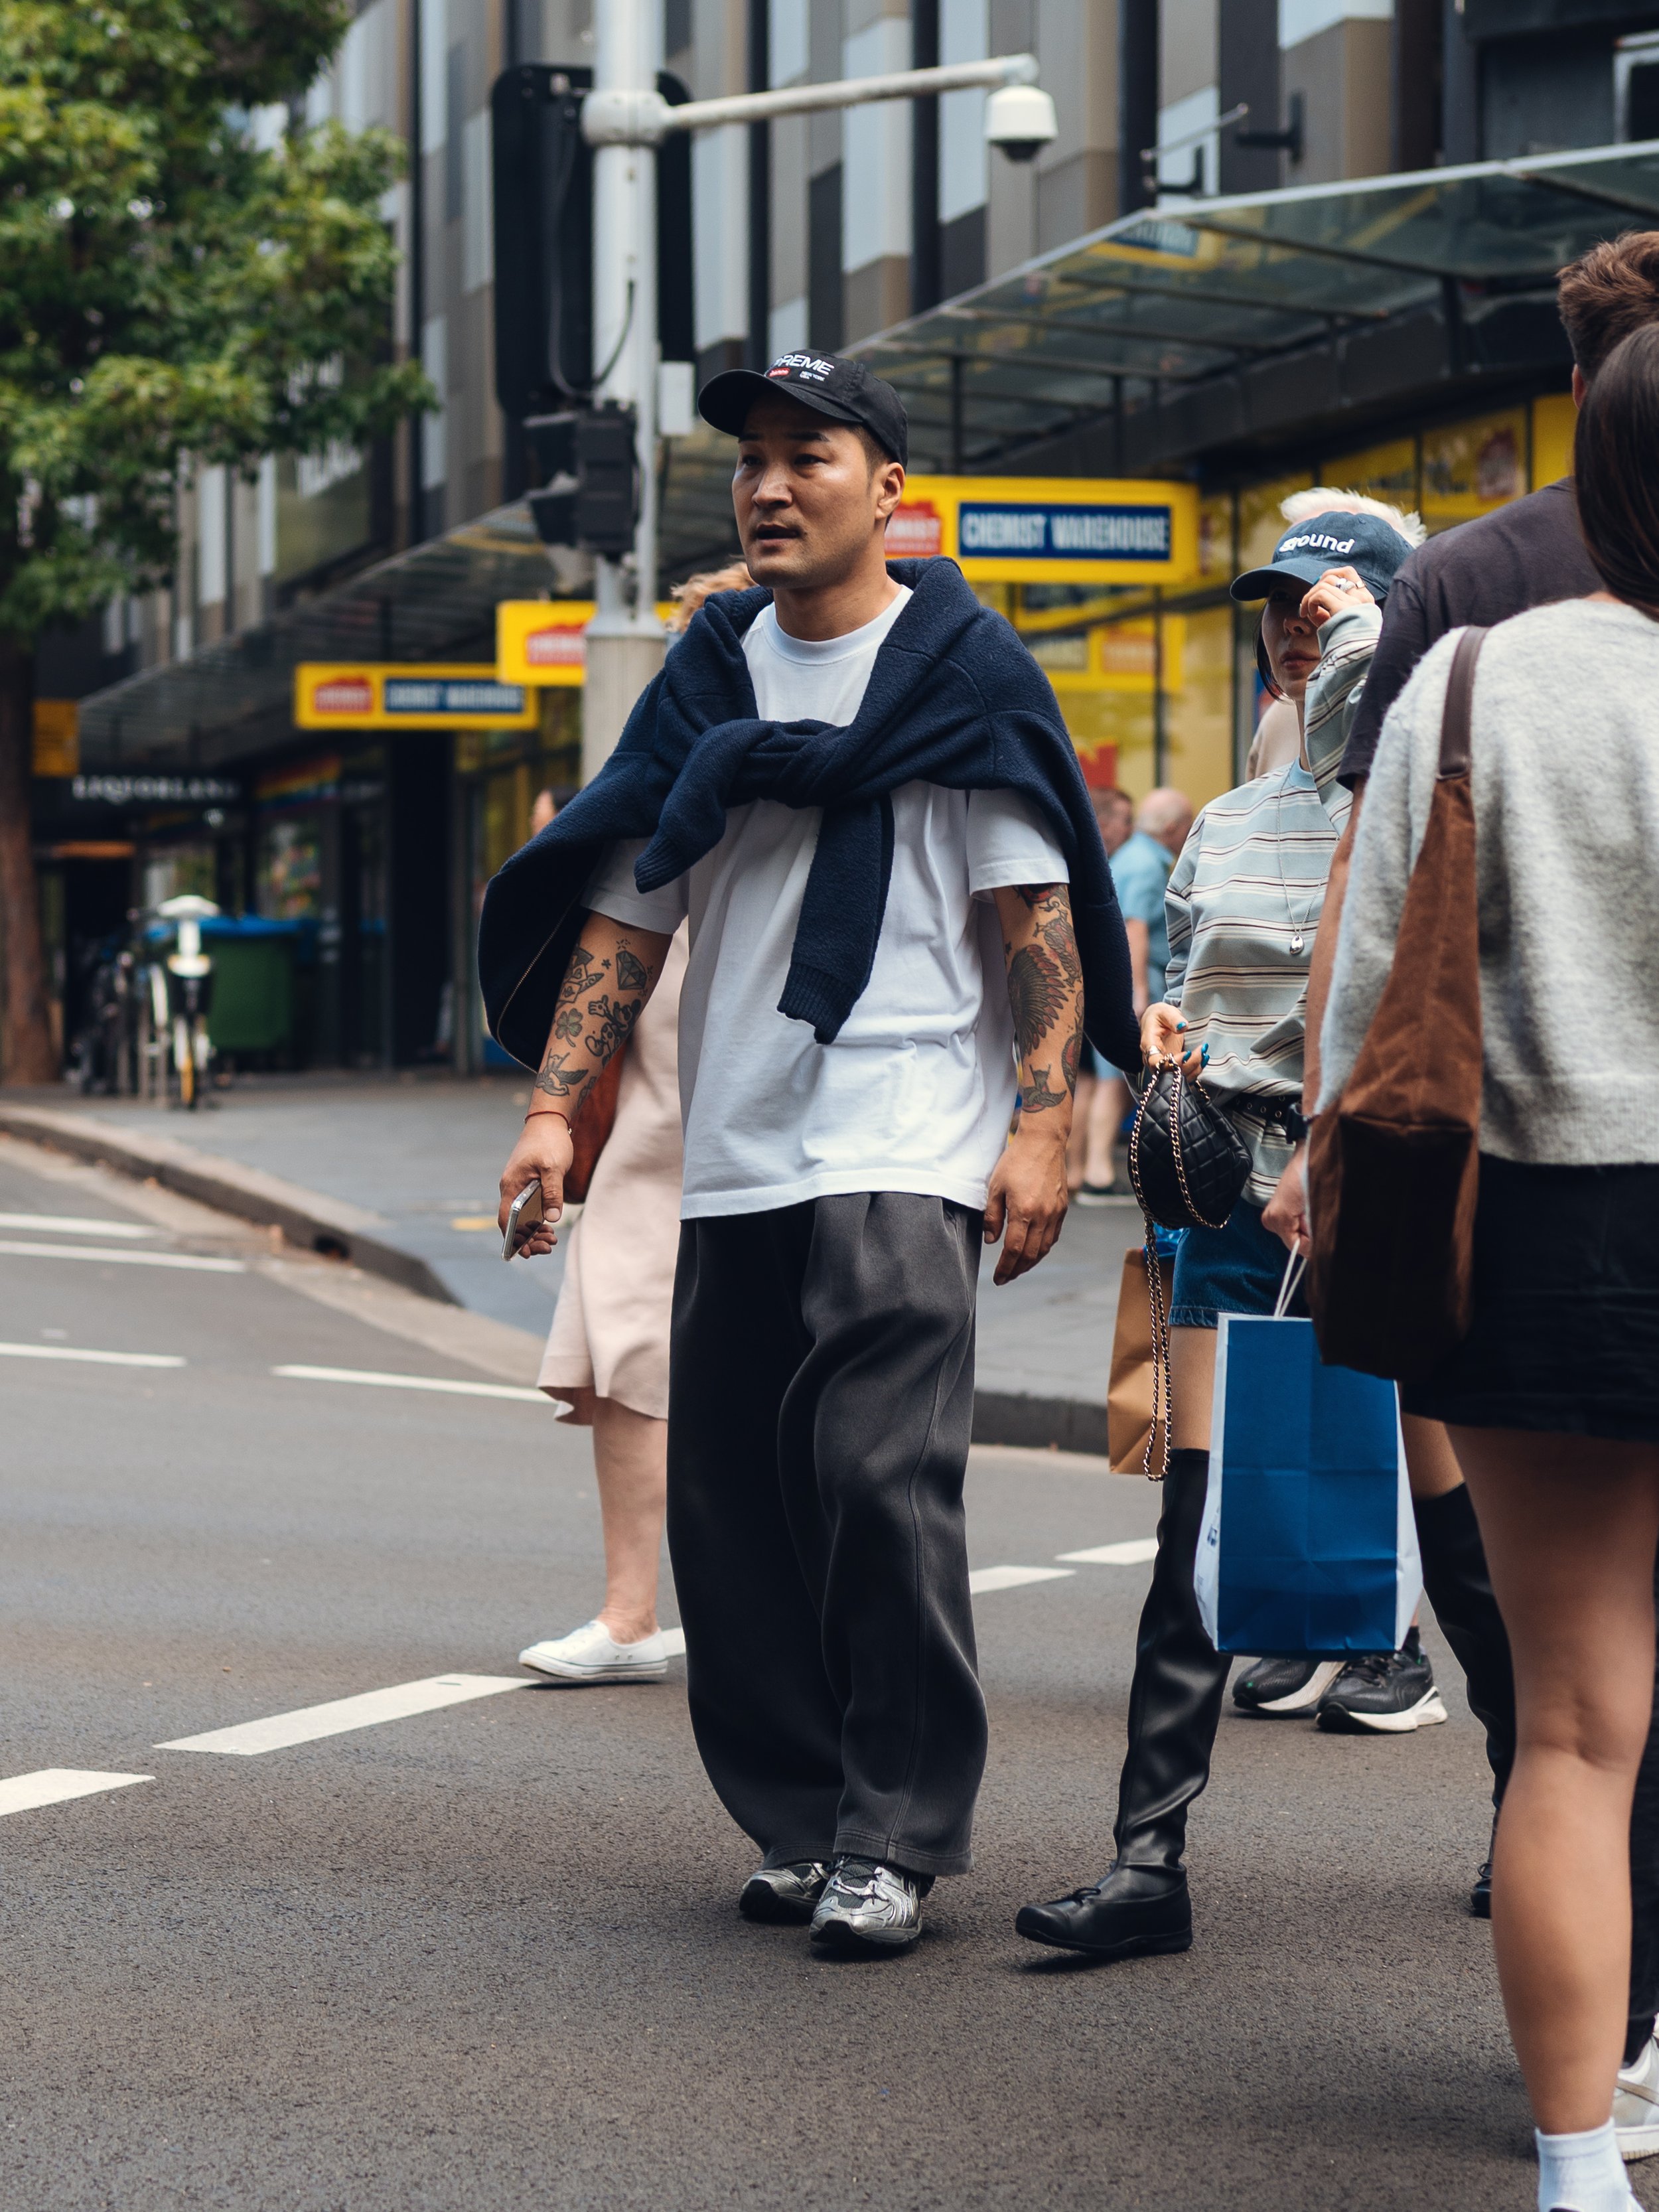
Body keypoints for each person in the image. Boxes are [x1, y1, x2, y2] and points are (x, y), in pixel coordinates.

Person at [482, 350, 1141, 1954]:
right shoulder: (711, 675)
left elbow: (1032, 910)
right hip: (737, 1141)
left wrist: (1041, 1121)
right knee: (733, 1507)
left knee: (874, 1479)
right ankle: (797, 1814)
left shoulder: (961, 670)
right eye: (750, 461)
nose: (769, 486)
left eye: (808, 456)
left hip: (906, 1133)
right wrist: (554, 1109)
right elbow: (628, 906)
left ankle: (892, 1831)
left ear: (887, 489)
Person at [1295, 230, 1659, 2137]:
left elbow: (1372, 991)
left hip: (1537, 1228)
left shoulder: (1473, 677)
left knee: (1574, 1728)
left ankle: (1576, 2158)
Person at [1015, 504, 1420, 1962]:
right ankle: (1147, 1861)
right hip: (1232, 1199)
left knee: (1458, 1526)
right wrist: (1163, 1036)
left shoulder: (1432, 795)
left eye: (1324, 607)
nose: (1293, 630)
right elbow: (1176, 982)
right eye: (1277, 609)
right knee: (1190, 1521)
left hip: (1391, 1194)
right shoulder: (1230, 821)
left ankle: (1531, 1819)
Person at [1069, 785, 1133, 1198]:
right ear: (1104, 823)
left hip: (1077, 986)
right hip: (1083, 986)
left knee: (1083, 1083)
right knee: (1088, 1082)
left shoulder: (1076, 856)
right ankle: (1084, 1171)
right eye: (1125, 821)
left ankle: (1074, 1172)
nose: (1129, 830)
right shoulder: (1090, 863)